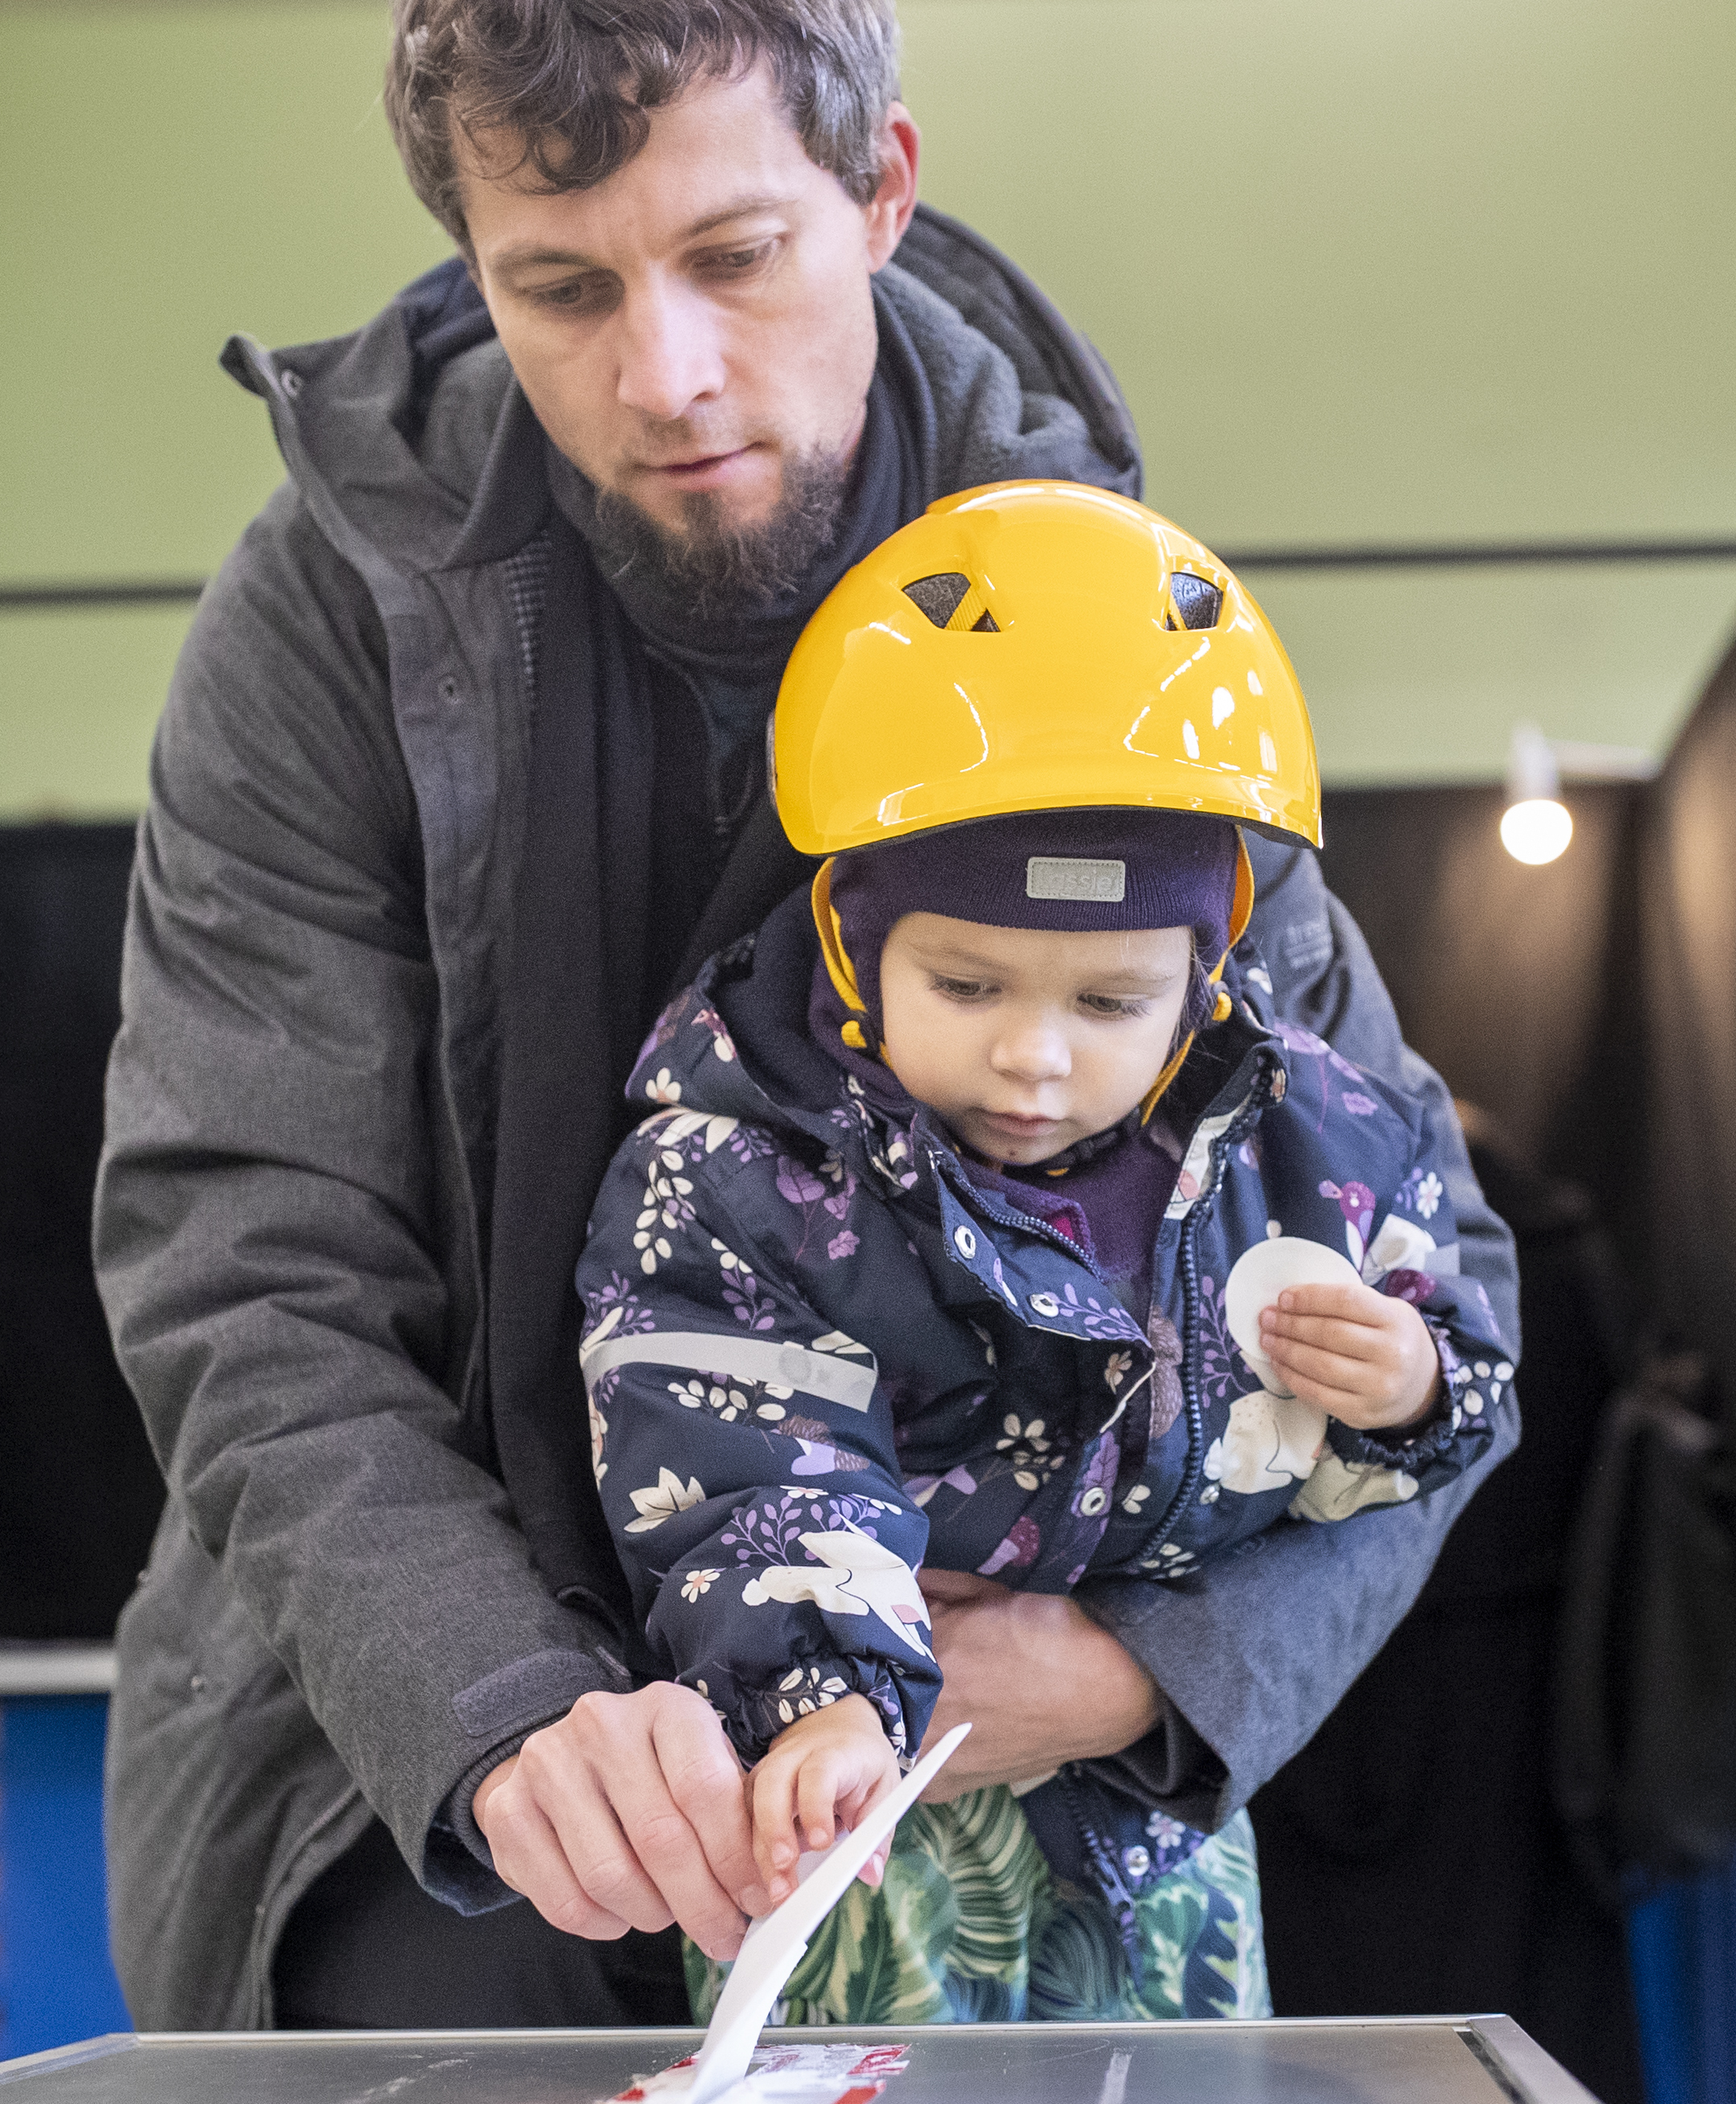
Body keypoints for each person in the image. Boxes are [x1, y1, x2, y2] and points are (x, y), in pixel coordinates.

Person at [91, 0, 1522, 2033]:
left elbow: (1431, 1275)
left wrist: (1136, 1671)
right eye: (558, 289)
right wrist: (498, 1705)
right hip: (413, 1772)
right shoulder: (323, 619)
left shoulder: (1115, 621)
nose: (662, 374)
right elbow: (248, 1270)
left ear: (882, 192)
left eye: (736, 256)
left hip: (988, 1797)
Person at [578, 484, 1517, 2023]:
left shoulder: (1300, 1148)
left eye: (1109, 1004)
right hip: (846, 1815)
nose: (1035, 1059)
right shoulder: (738, 1170)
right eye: (966, 983)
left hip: (1155, 1830)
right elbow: (740, 1457)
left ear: (1208, 974)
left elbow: (1434, 1386)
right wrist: (816, 1691)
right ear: (845, 943)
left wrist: (1414, 1389)